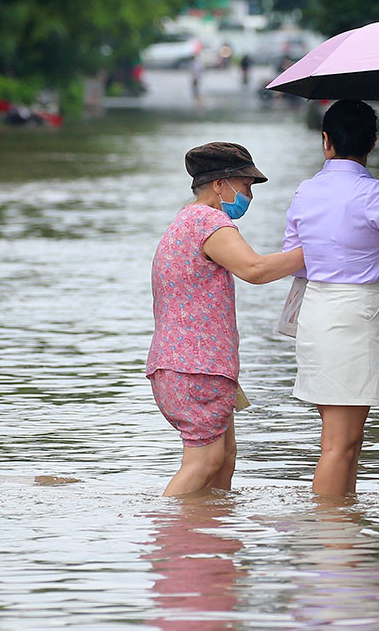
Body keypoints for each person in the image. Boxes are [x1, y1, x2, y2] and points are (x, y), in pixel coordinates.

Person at [283, 100, 379, 498]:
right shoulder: (372, 194)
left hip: (316, 314)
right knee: (340, 445)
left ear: (326, 141)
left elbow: (296, 259)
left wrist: (361, 266)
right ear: (372, 143)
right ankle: (328, 536)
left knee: (348, 443)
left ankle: (343, 539)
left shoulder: (306, 191)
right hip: (352, 320)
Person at [148, 142, 304, 497]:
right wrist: (314, 251)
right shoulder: (209, 221)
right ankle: (164, 530)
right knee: (204, 462)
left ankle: (210, 536)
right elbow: (254, 268)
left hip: (184, 366)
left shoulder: (185, 219)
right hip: (196, 368)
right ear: (220, 185)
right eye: (245, 185)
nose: (249, 195)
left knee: (223, 457)